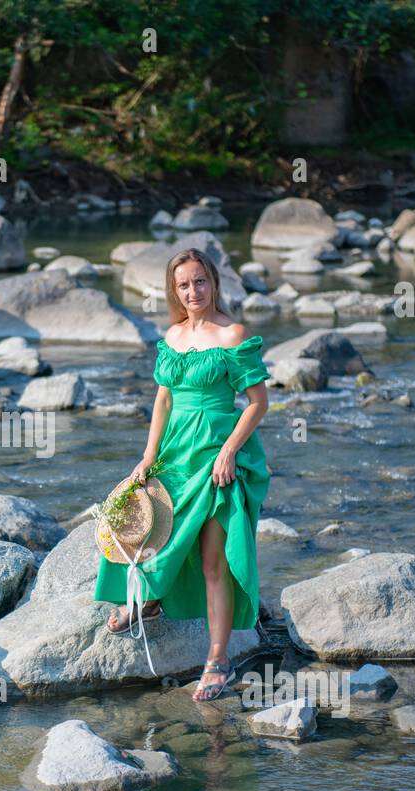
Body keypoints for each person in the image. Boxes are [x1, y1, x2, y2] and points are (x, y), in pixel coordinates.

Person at [92, 248, 271, 702]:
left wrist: (229, 451)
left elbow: (257, 403)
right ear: (175, 291)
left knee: (214, 562)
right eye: (184, 285)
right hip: (175, 453)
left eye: (200, 282)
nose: (193, 292)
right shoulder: (172, 336)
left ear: (213, 281)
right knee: (151, 531)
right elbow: (164, 401)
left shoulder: (232, 335)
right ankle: (149, 602)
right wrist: (147, 457)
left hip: (216, 456)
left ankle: (218, 659)